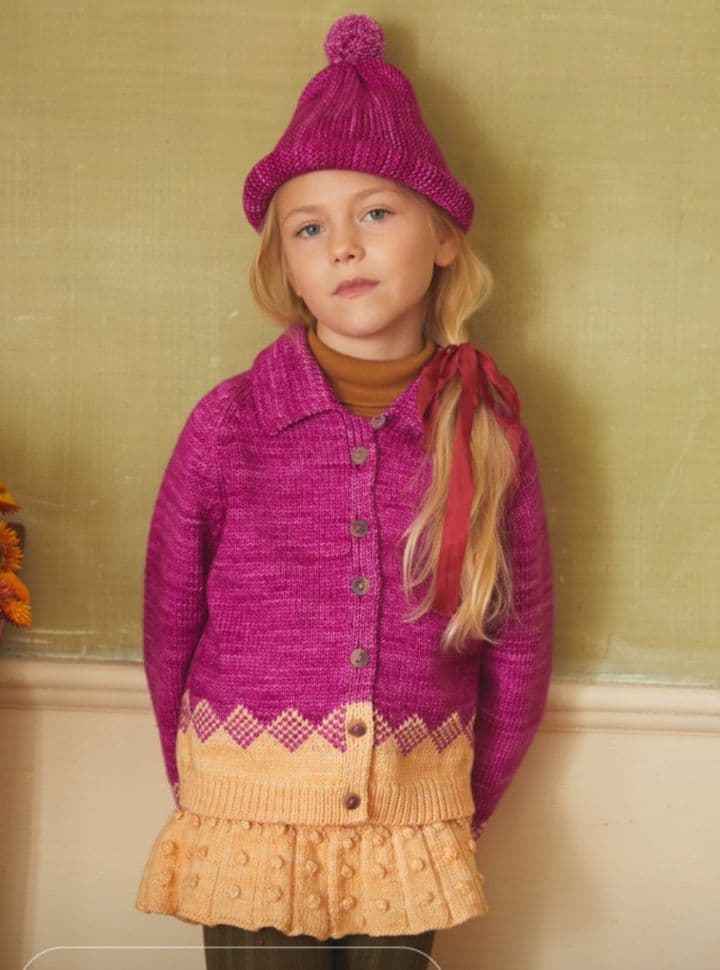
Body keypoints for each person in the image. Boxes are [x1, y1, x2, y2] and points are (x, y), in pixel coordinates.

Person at [135, 13, 554, 970]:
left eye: (376, 214)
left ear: (442, 237)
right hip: (245, 810)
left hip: (415, 816)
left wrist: (458, 804)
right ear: (284, 263)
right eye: (310, 228)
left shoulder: (485, 430)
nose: (344, 249)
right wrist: (208, 783)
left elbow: (521, 644)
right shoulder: (230, 424)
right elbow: (169, 622)